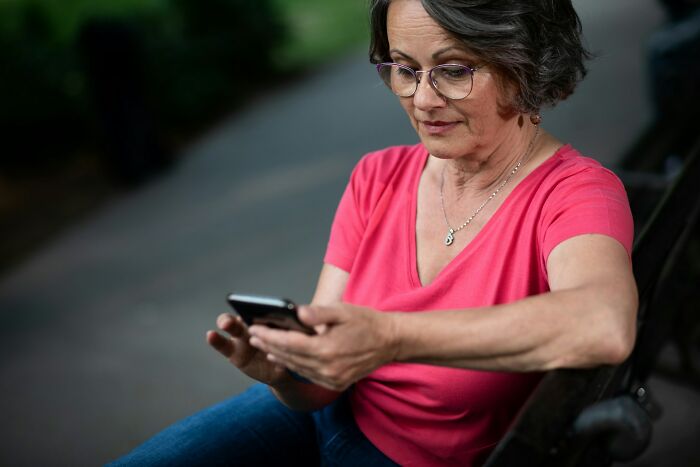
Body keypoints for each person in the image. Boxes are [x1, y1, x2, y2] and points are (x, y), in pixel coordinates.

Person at [109, 0, 638, 465]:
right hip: (316, 417)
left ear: (525, 65)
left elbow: (602, 322)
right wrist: (288, 372)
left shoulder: (575, 194)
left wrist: (389, 338)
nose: (422, 99)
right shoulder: (377, 176)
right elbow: (321, 385)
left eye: (453, 70)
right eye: (404, 69)